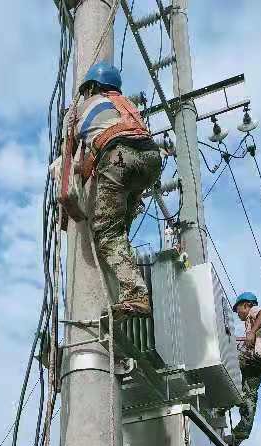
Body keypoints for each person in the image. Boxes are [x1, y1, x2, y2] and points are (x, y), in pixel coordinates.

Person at [70, 61, 162, 318]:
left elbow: (78, 137)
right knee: (119, 231)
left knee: (107, 233)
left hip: (119, 157)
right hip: (151, 160)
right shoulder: (126, 104)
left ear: (92, 87)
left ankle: (135, 294)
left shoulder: (88, 104)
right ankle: (127, 283)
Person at [225, 292, 261, 446]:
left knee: (226, 361)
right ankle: (240, 434)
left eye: (238, 310)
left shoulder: (253, 312)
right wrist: (245, 337)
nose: (238, 314)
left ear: (246, 305)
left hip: (255, 357)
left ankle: (222, 403)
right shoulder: (253, 323)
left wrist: (251, 332)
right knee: (249, 394)